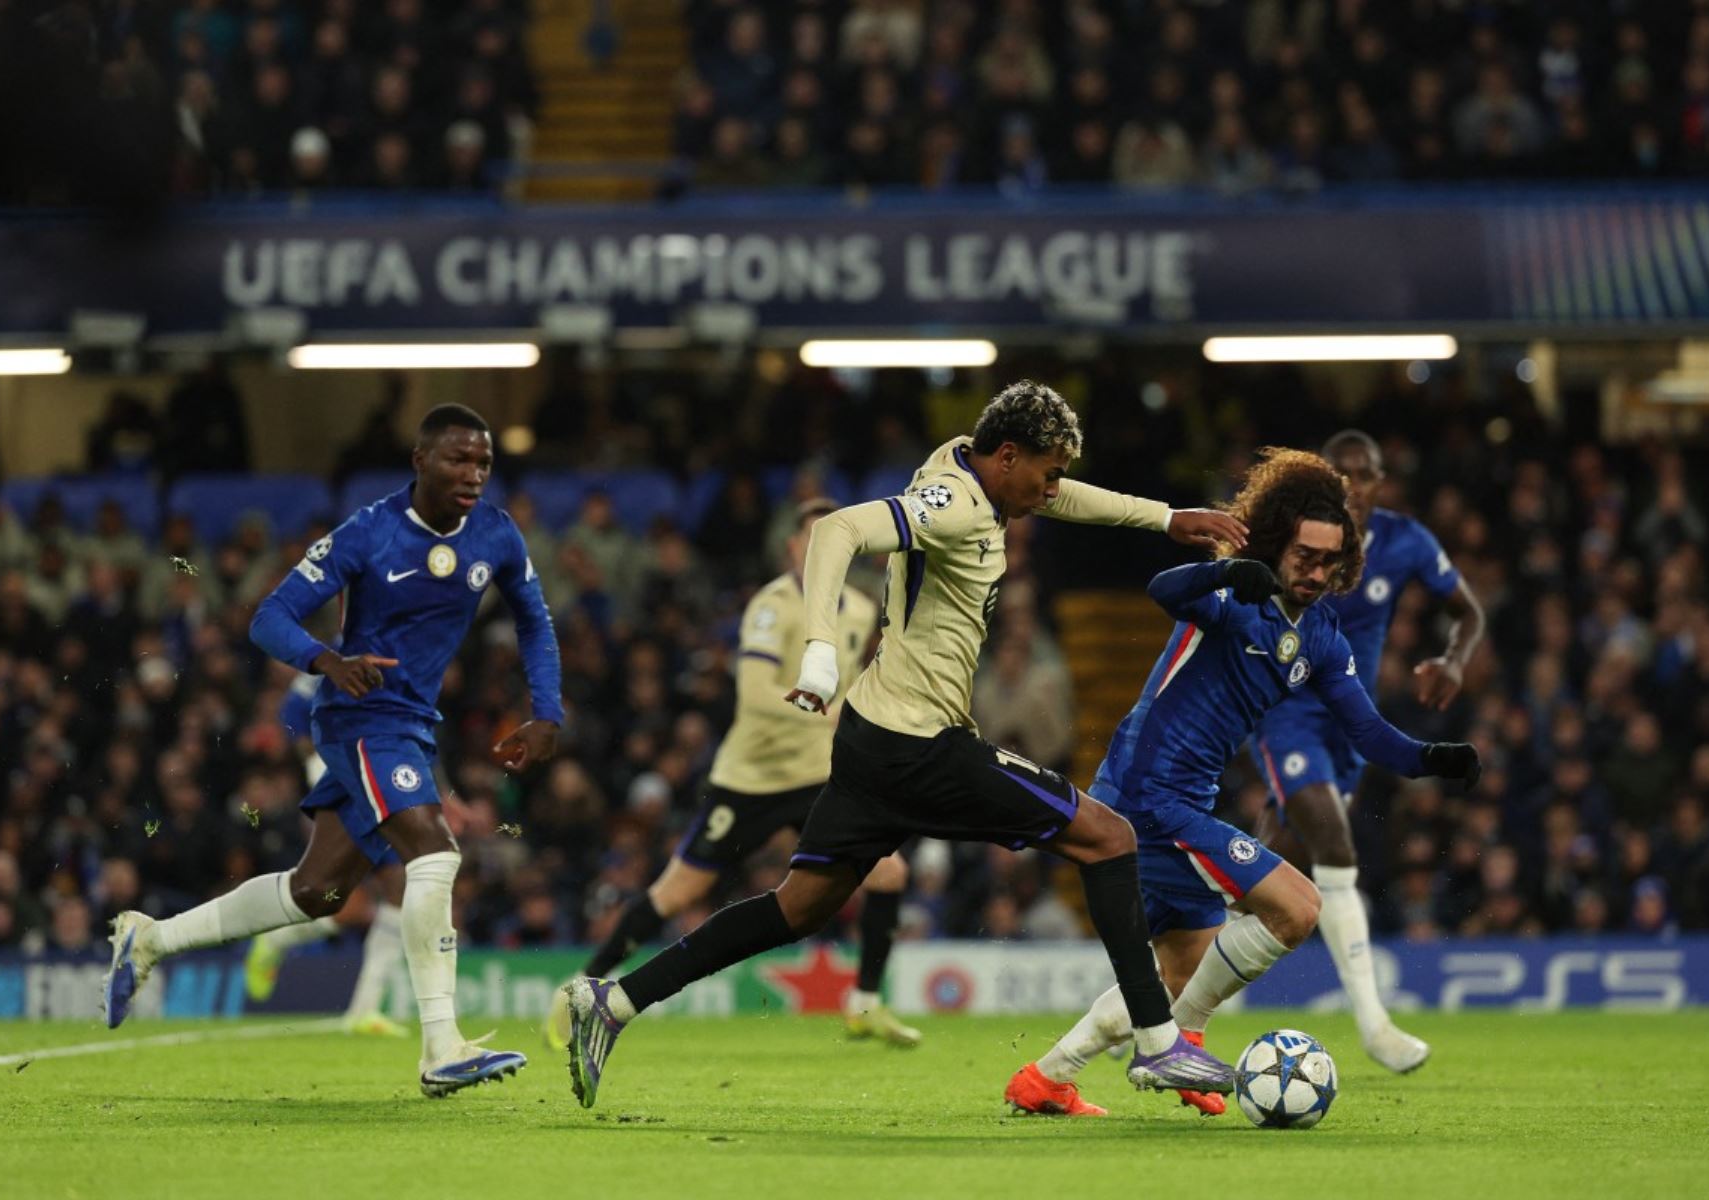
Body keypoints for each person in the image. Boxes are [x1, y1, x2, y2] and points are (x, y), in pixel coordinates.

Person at [558, 380, 1251, 1109]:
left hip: (871, 736)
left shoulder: (967, 466)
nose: (1054, 489)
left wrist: (1165, 518)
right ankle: (1156, 1041)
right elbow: (835, 532)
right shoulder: (953, 503)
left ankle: (615, 1002)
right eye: (1047, 471)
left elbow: (1063, 497)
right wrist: (821, 649)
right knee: (1108, 838)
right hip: (920, 745)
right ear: (1007, 456)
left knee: (799, 907)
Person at [104, 404, 565, 1099]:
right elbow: (269, 617)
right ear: (420, 461)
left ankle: (150, 941)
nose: (473, 475)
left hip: (411, 723)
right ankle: (442, 1046)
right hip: (360, 718)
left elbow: (535, 621)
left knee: (314, 892)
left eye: (483, 464)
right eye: (458, 460)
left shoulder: (496, 536)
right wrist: (326, 660)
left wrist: (547, 711)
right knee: (435, 855)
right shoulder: (369, 533)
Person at [1006, 448, 1479, 1118]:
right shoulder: (1234, 597)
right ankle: (1175, 1046)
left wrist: (1433, 758)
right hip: (1149, 793)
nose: (1317, 572)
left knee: (1180, 974)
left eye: (1330, 560)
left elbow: (1368, 733)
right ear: (1279, 542)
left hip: (1187, 798)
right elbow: (1163, 592)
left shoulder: (1321, 636)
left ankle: (1049, 1078)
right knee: (1298, 907)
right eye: (1306, 555)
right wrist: (1227, 570)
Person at [546, 498, 921, 1049]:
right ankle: (581, 988)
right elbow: (753, 694)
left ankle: (864, 1002)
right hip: (751, 779)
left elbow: (858, 677)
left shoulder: (861, 609)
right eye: (811, 541)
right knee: (677, 891)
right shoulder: (772, 606)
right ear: (793, 549)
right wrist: (831, 707)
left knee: (890, 874)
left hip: (819, 775)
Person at [1250, 430, 1485, 1072]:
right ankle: (1375, 1026)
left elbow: (1468, 612)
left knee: (1277, 863)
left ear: (1382, 481)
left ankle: (1172, 999)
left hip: (1351, 723)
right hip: (1286, 712)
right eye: (1342, 474)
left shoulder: (1406, 542)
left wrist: (1453, 661)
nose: (1354, 486)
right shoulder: (1294, 540)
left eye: (1366, 474)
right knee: (1333, 845)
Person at [241, 672, 409, 1038]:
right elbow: (293, 712)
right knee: (340, 894)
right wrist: (321, 766)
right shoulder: (327, 663)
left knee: (383, 892)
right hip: (342, 782)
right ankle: (274, 940)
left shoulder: (389, 655)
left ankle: (364, 1008)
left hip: (377, 779)